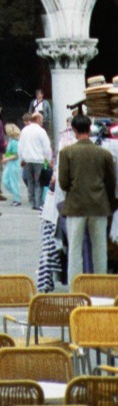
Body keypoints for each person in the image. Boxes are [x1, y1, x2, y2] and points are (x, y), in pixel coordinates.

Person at [59, 111, 117, 284]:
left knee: (75, 250)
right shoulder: (104, 154)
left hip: (76, 206)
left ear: (74, 129)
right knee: (100, 249)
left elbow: (63, 183)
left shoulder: (66, 153)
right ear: (90, 128)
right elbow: (110, 183)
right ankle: (101, 287)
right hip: (99, 206)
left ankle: (75, 288)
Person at [18, 112, 55, 209]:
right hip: (39, 160)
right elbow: (46, 148)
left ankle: (32, 201)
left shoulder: (24, 130)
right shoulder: (41, 131)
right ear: (38, 119)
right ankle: (38, 203)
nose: (42, 122)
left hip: (28, 160)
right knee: (39, 181)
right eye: (41, 120)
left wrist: (21, 158)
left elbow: (20, 146)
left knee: (30, 181)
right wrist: (48, 160)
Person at [2, 123, 22, 206]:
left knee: (14, 181)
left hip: (14, 164)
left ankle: (17, 198)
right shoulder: (11, 140)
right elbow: (10, 153)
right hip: (10, 163)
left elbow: (16, 155)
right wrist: (5, 156)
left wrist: (6, 158)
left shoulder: (15, 142)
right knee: (5, 180)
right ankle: (16, 195)